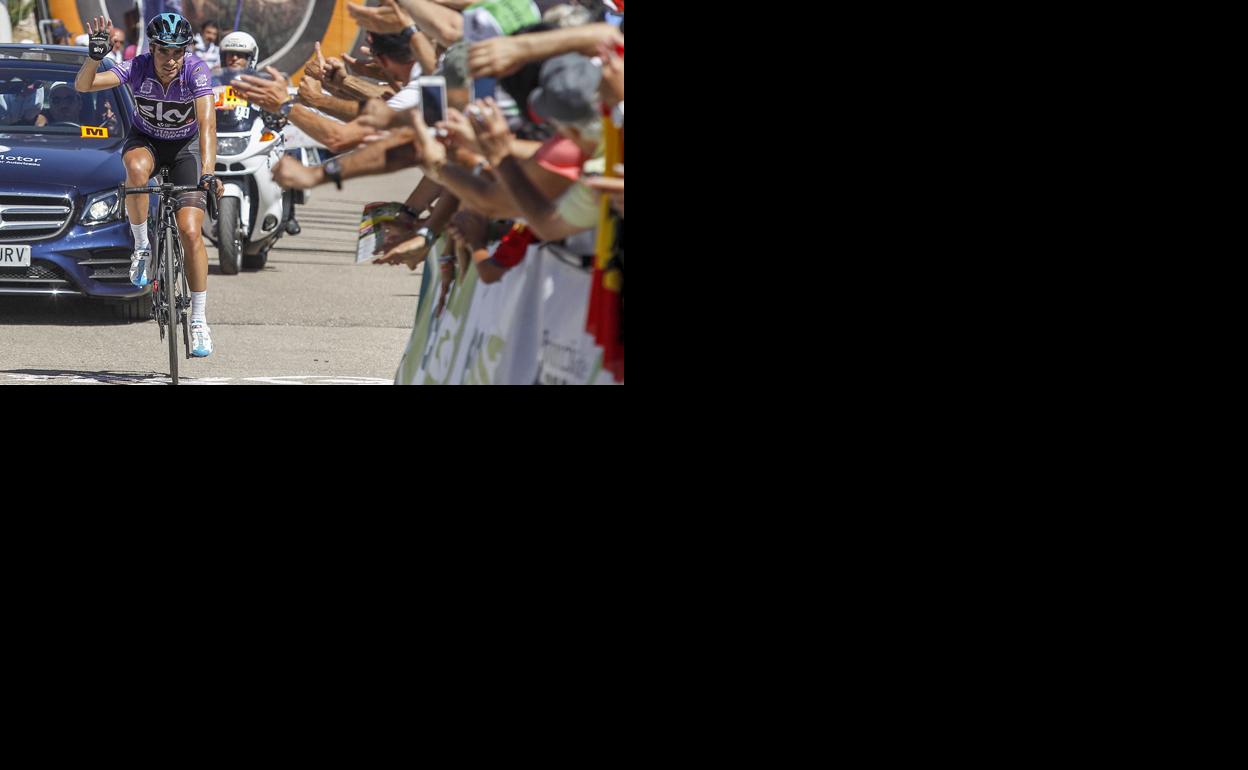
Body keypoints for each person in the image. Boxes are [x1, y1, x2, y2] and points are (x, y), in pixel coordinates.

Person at [75, 12, 223, 358]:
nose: (170, 60)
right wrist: (93, 59)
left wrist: (209, 171)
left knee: (190, 231)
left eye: (178, 52)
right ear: (151, 48)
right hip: (147, 141)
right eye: (163, 52)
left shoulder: (196, 70)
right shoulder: (137, 66)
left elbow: (207, 124)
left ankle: (199, 320)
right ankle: (142, 248)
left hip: (185, 149)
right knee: (136, 169)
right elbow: (83, 86)